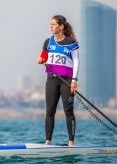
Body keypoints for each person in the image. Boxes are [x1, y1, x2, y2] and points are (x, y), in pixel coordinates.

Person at [36, 15, 80, 146]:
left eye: (54, 24)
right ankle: (47, 142)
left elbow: (77, 61)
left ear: (61, 26)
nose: (51, 26)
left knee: (68, 111)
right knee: (50, 111)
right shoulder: (48, 42)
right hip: (52, 80)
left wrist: (74, 81)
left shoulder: (71, 42)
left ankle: (71, 142)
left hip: (66, 81)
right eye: (50, 24)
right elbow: (43, 56)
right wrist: (40, 59)